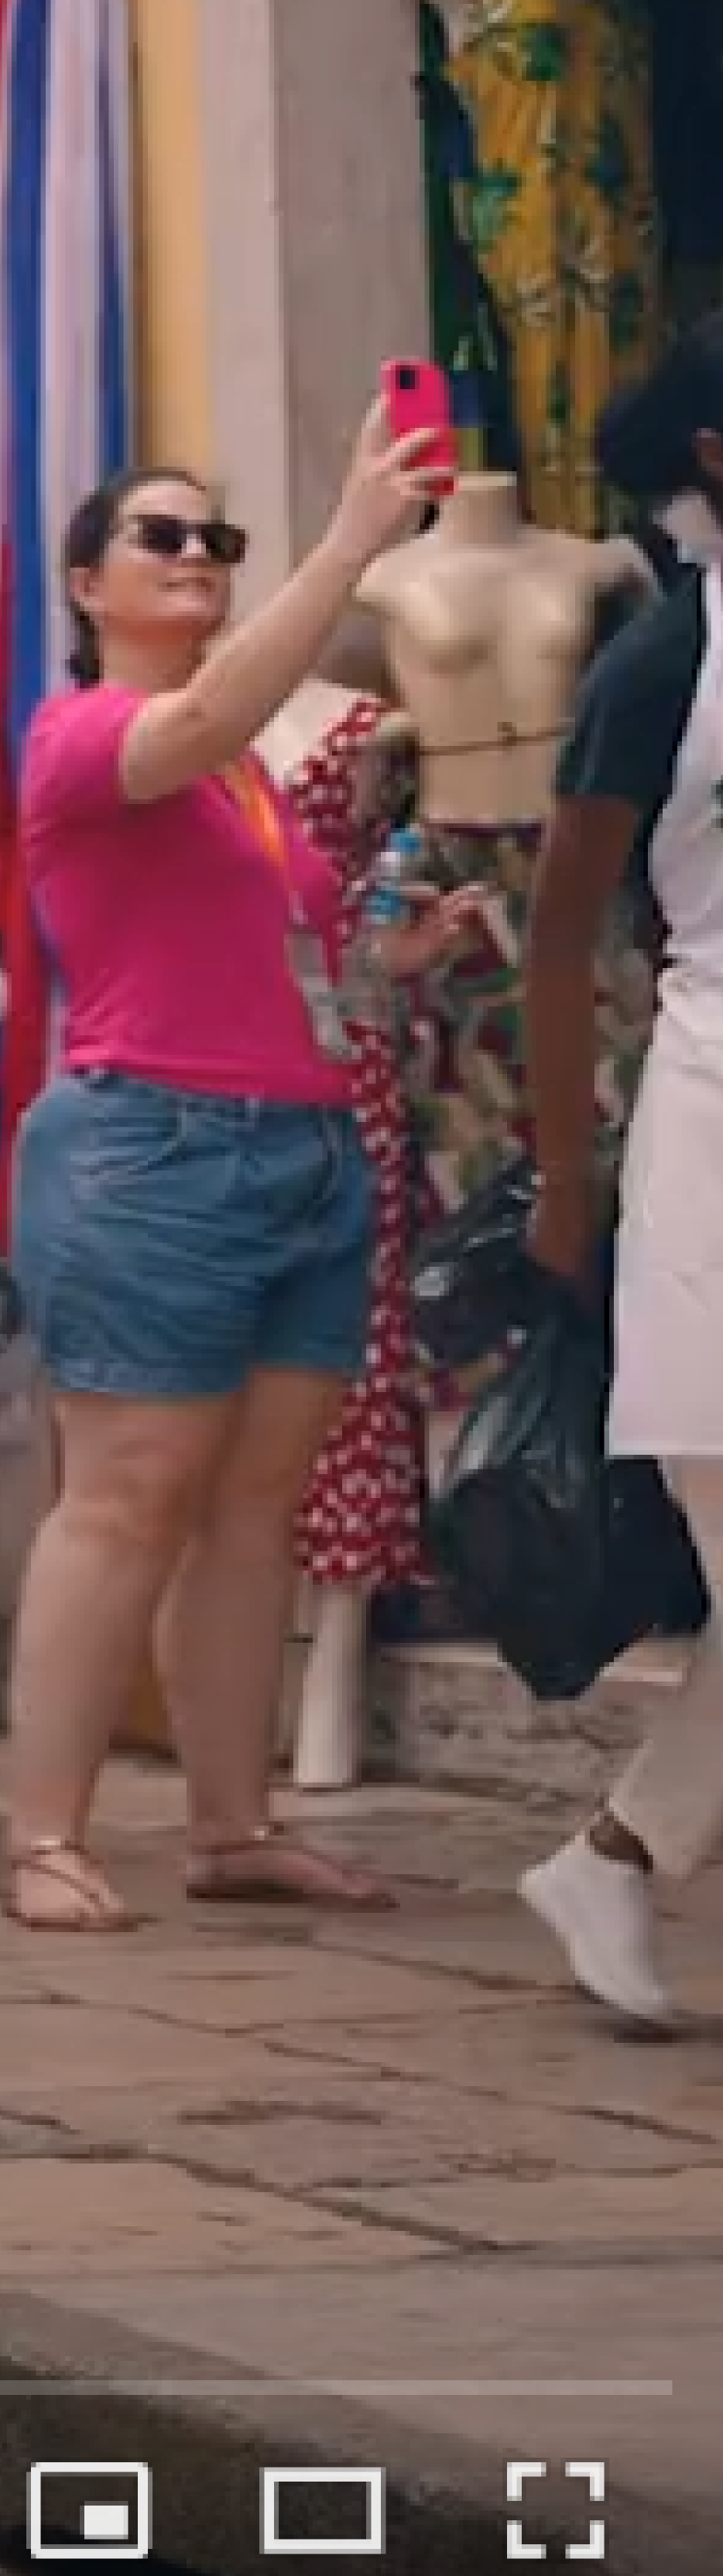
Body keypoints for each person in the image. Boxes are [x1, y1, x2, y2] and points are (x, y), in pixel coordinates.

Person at [0, 411, 449, 1934]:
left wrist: (388, 960)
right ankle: (42, 1836)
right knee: (125, 1498)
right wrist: (345, 545)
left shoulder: (242, 789)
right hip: (153, 1150)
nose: (194, 559)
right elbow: (192, 722)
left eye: (214, 542)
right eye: (162, 539)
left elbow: (273, 953)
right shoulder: (86, 738)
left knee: (256, 1506)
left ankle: (228, 1822)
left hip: (303, 1145)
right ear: (84, 585)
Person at [518, 334, 723, 2023]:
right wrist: (562, 1181)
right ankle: (611, 1858)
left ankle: (609, 1858)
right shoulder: (657, 662)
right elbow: (558, 940)